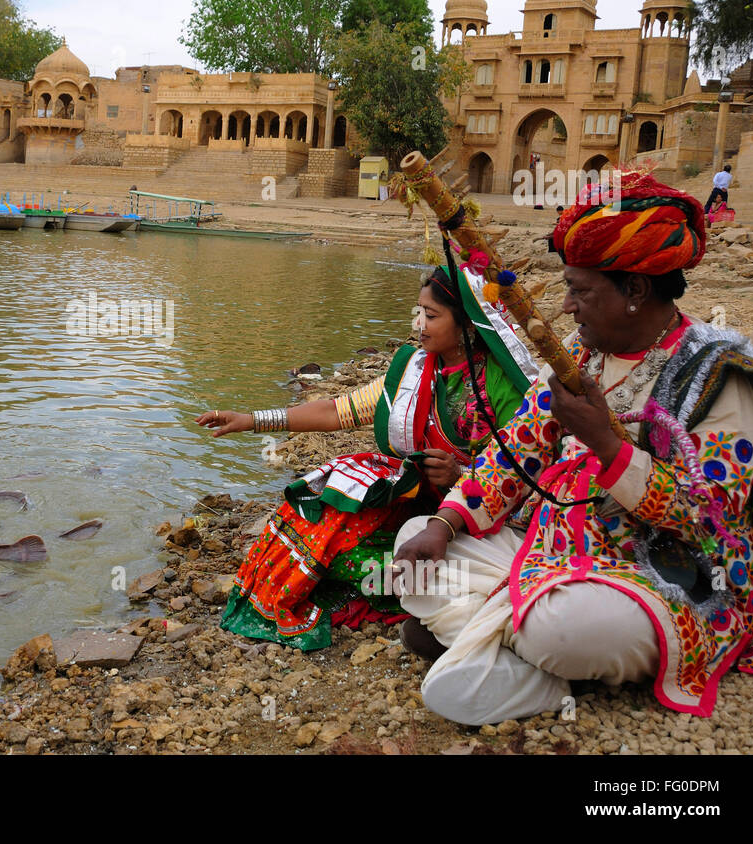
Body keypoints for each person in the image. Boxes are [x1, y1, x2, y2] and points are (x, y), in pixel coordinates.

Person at [393, 171, 753, 724]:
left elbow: (711, 517)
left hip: (665, 579)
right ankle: (510, 648)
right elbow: (516, 453)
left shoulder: (720, 374)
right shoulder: (581, 354)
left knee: (564, 628)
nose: (567, 307)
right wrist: (445, 524)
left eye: (582, 290)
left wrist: (605, 444)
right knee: (413, 544)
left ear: (636, 291)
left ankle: (513, 648)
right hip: (551, 556)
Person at [198, 267, 538, 651]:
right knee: (330, 496)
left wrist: (460, 474)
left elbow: (523, 471)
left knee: (382, 563)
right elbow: (338, 412)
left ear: (466, 325)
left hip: (482, 520)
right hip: (415, 505)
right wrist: (251, 420)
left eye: (431, 315)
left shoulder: (501, 388)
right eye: (418, 311)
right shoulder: (414, 367)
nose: (419, 323)